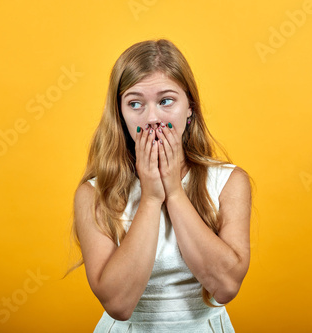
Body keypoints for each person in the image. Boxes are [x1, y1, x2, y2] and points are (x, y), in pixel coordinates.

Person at [68, 39, 252, 332]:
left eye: (166, 101)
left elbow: (226, 286)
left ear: (189, 108)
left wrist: (174, 192)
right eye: (135, 103)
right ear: (120, 114)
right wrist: (152, 199)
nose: (152, 118)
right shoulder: (93, 194)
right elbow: (118, 304)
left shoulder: (230, 182)